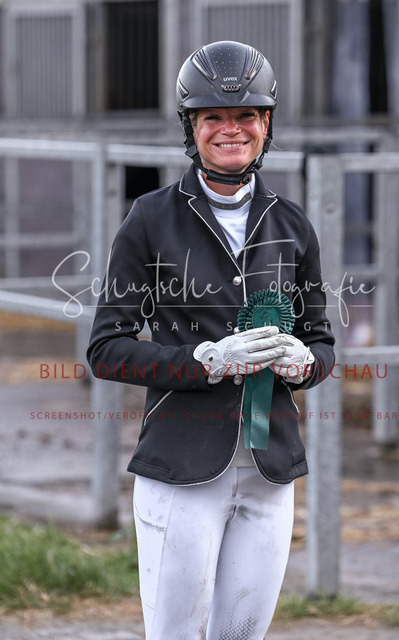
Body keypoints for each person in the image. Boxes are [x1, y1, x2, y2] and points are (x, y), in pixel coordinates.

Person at [87, 40, 335, 640]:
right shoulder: (150, 218)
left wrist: (305, 362)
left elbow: (322, 340)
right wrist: (206, 361)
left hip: (269, 465)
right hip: (182, 464)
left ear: (266, 124)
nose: (231, 129)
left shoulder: (292, 223)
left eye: (246, 115)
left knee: (242, 635)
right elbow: (106, 348)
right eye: (213, 117)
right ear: (191, 127)